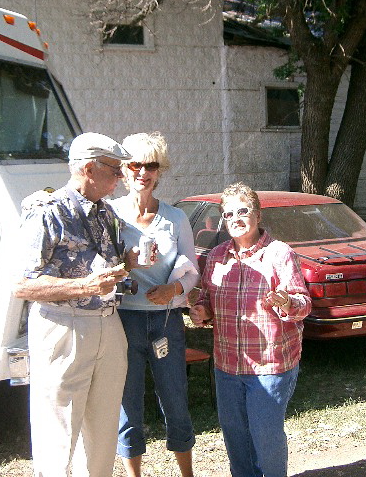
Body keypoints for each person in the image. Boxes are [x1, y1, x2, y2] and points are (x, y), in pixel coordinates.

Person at [13, 132, 134, 477]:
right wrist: (84, 285)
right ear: (87, 169)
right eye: (114, 170)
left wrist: (132, 261)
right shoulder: (48, 212)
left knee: (103, 431)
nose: (121, 178)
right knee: (59, 432)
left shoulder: (105, 213)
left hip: (107, 323)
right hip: (63, 327)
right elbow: (22, 283)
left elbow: (107, 267)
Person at [189, 182, 312, 477]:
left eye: (242, 211)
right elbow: (207, 295)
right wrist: (202, 310)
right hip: (227, 364)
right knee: (236, 439)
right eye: (228, 213)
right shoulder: (217, 255)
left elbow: (304, 303)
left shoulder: (280, 254)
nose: (235, 218)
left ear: (257, 214)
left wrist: (286, 301)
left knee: (265, 438)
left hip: (270, 366)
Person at [112, 132, 199, 477]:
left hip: (165, 321)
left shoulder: (175, 218)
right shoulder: (111, 214)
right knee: (128, 407)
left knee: (176, 402)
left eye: (150, 165)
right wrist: (126, 265)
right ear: (123, 170)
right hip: (122, 320)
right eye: (134, 164)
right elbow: (99, 268)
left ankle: (187, 474)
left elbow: (193, 270)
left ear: (159, 171)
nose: (142, 172)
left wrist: (173, 288)